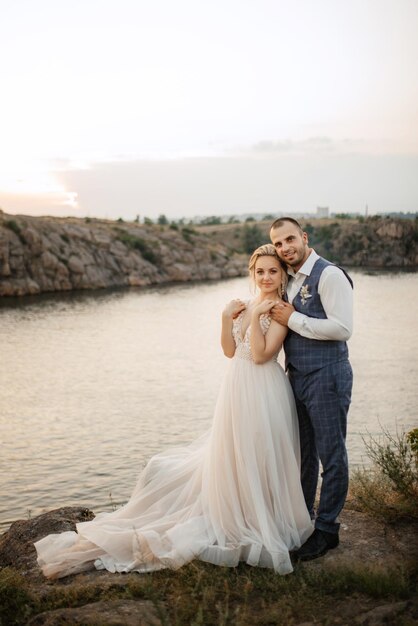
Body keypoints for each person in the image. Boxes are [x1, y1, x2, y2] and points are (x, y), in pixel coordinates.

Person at [34, 244, 313, 579]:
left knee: (258, 451)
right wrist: (226, 318)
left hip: (264, 389)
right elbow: (229, 351)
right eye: (260, 271)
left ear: (283, 274)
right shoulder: (247, 303)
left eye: (272, 271)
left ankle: (259, 515)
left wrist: (255, 318)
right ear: (251, 274)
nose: (266, 277)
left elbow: (261, 355)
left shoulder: (281, 309)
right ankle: (237, 505)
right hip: (236, 387)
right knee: (234, 452)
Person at [269, 217, 353, 562]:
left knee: (331, 454)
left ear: (304, 237)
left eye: (290, 239)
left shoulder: (329, 275)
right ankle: (304, 519)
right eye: (278, 244)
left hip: (328, 375)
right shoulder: (286, 278)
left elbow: (342, 328)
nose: (285, 248)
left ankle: (328, 529)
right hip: (297, 375)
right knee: (304, 453)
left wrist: (293, 320)